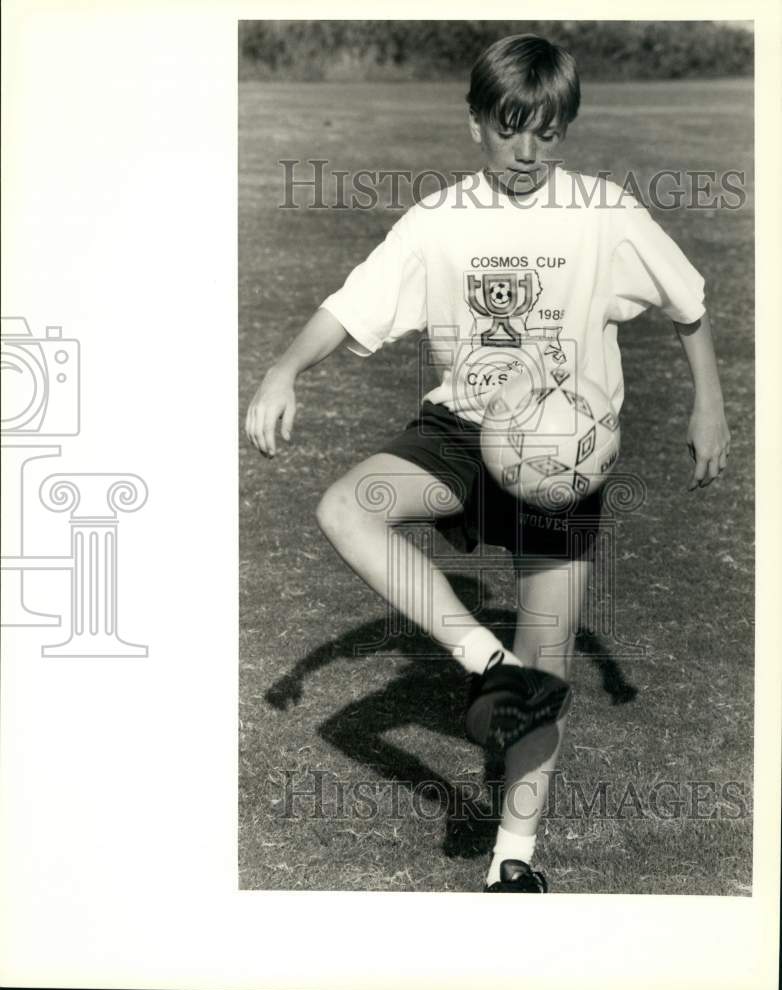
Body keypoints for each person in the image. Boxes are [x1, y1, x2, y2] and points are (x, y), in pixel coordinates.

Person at [245, 33, 731, 892]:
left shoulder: (605, 214)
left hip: (565, 452)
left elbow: (687, 307)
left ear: (565, 128)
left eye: (546, 131)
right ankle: (485, 662)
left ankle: (512, 862)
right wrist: (285, 368)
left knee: (546, 664)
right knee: (346, 508)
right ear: (475, 125)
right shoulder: (438, 222)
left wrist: (709, 404)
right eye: (510, 129)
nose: (527, 151)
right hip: (466, 434)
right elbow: (350, 307)